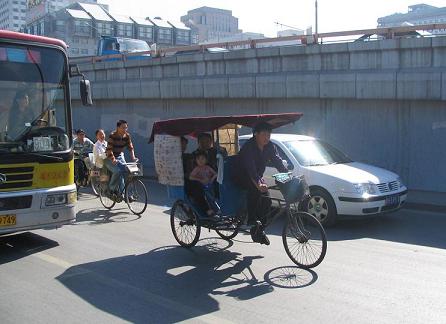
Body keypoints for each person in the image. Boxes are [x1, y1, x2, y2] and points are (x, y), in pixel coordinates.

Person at [233, 122, 288, 245]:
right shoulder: (248, 147)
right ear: (256, 134)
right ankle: (252, 220)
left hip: (257, 175)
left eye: (269, 135)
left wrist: (287, 175)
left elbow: (277, 161)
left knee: (267, 200)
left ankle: (259, 229)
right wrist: (258, 183)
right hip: (242, 175)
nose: (267, 137)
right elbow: (250, 168)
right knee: (255, 190)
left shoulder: (270, 146)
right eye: (264, 134)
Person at [104, 120, 137, 197]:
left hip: (119, 156)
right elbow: (109, 150)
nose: (125, 129)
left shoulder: (127, 136)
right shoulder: (113, 135)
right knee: (117, 171)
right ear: (118, 127)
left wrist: (133, 157)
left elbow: (130, 148)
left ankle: (124, 194)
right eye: (123, 128)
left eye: (126, 127)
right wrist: (113, 159)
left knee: (127, 171)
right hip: (109, 157)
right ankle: (111, 189)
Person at [189, 151, 218, 216]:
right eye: (198, 159)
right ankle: (209, 210)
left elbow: (216, 174)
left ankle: (216, 208)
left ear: (206, 160)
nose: (200, 161)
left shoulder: (208, 167)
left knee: (213, 196)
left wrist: (211, 179)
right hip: (201, 187)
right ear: (196, 160)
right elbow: (191, 177)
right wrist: (200, 180)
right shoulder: (197, 169)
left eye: (202, 159)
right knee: (207, 197)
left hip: (210, 185)